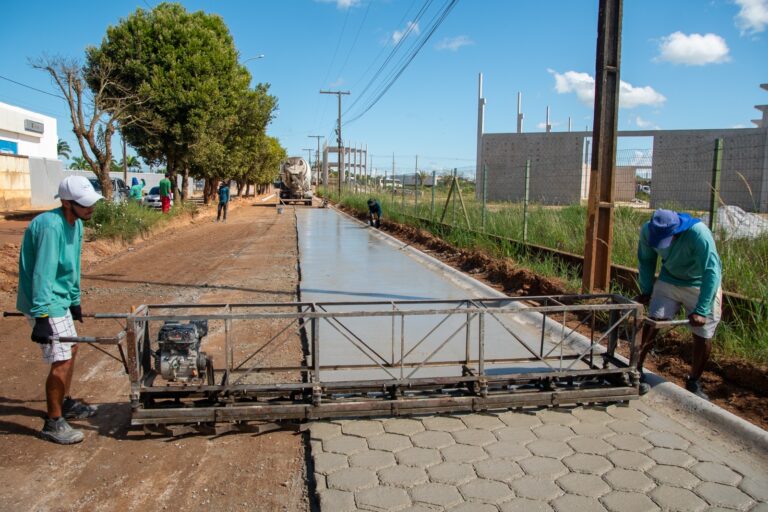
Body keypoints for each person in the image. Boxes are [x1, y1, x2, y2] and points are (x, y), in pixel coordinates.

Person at [17, 176, 103, 444]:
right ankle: (53, 422)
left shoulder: (75, 223)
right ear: (66, 202)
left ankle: (63, 402)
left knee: (72, 348)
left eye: (91, 204)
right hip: (44, 301)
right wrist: (41, 316)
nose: (90, 209)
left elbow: (73, 265)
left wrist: (74, 299)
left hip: (59, 298)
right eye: (84, 204)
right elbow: (42, 273)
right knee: (61, 358)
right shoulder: (50, 226)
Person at [635, 209, 722, 400]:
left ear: (676, 232)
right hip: (670, 278)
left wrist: (701, 310)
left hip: (700, 283)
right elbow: (646, 260)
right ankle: (635, 370)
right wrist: (646, 291)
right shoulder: (648, 231)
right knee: (652, 321)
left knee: (703, 332)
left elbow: (711, 271)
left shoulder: (699, 233)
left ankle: (694, 381)